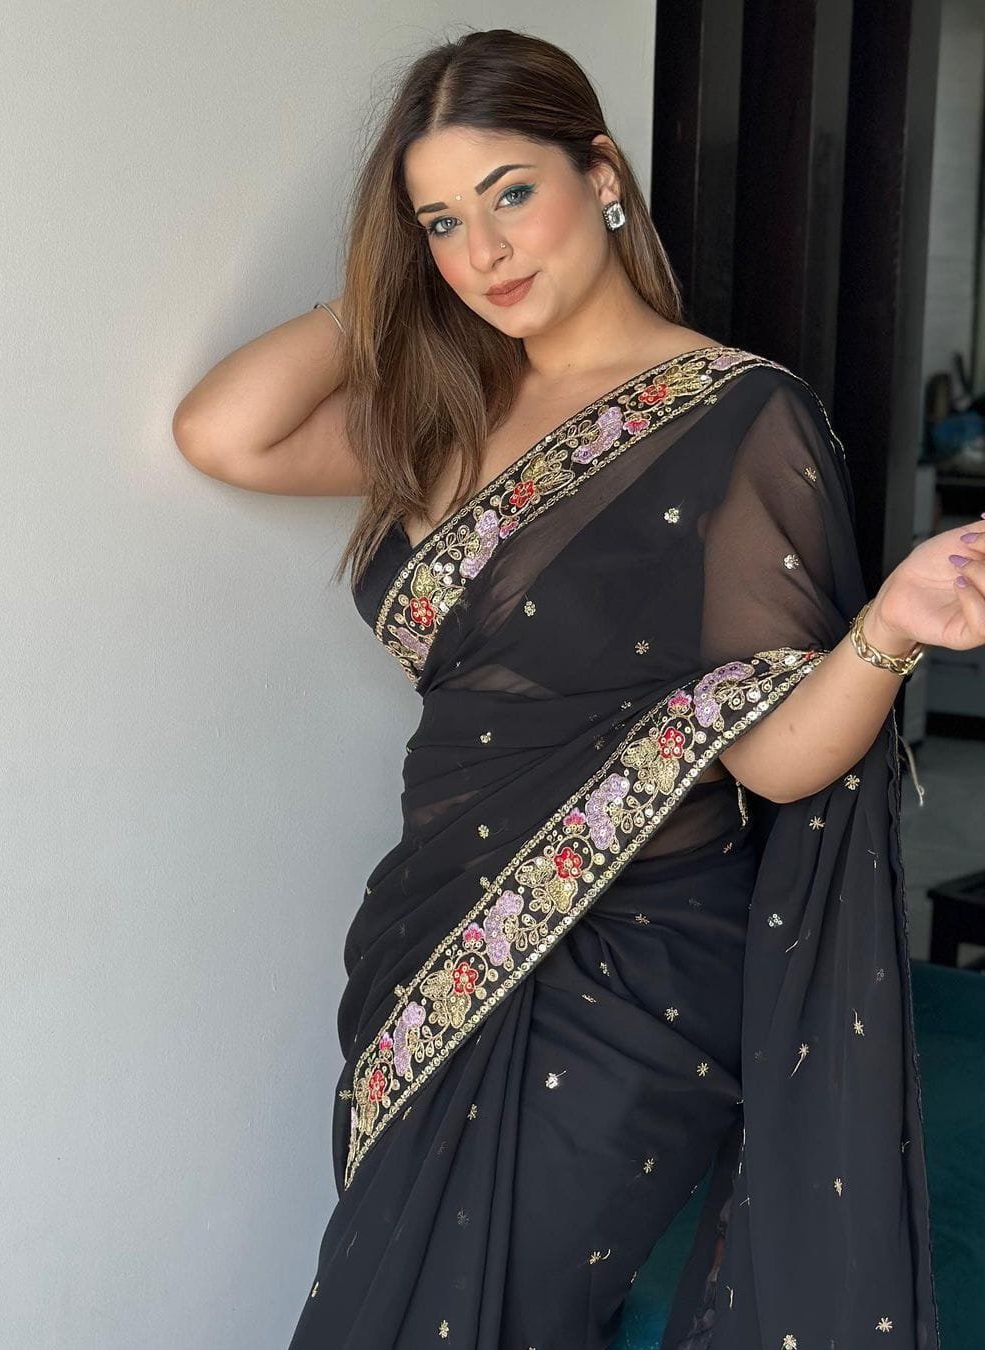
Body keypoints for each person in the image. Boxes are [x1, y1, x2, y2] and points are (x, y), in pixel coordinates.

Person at [172, 27, 978, 1350]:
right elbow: (223, 431)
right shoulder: (449, 404)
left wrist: (886, 629)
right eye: (442, 222)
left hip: (639, 966)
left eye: (512, 195)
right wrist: (390, 290)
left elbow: (773, 757)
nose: (486, 253)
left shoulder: (738, 416)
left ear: (600, 174)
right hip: (436, 941)